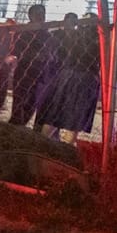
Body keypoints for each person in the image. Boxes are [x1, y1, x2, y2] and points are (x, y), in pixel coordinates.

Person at [36, 13, 102, 143]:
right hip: (85, 77)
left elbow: (61, 53)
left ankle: (43, 142)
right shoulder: (98, 39)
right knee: (75, 117)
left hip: (68, 75)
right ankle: (67, 145)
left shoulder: (73, 36)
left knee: (56, 113)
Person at [8, 4, 55, 128]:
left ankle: (21, 124)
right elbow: (15, 50)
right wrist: (33, 55)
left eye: (43, 14)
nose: (41, 17)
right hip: (24, 69)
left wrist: (47, 56)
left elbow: (50, 53)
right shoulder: (23, 31)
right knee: (20, 98)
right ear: (31, 16)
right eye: (38, 14)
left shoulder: (47, 34)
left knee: (33, 101)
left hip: (40, 71)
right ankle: (15, 124)